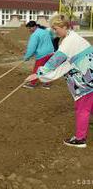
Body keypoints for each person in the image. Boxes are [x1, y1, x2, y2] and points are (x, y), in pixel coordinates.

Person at [26, 14, 93, 148]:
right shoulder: (73, 37)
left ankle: (80, 139)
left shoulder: (69, 41)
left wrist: (37, 74)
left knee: (82, 108)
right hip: (89, 74)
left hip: (86, 79)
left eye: (56, 28)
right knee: (89, 104)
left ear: (64, 27)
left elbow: (55, 61)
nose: (54, 31)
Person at [22, 20, 54, 89]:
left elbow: (32, 48)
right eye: (28, 28)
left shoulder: (35, 35)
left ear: (34, 27)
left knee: (37, 69)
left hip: (42, 54)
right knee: (46, 68)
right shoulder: (45, 31)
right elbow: (49, 40)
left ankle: (32, 83)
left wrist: (27, 56)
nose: (29, 30)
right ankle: (47, 83)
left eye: (30, 28)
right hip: (50, 52)